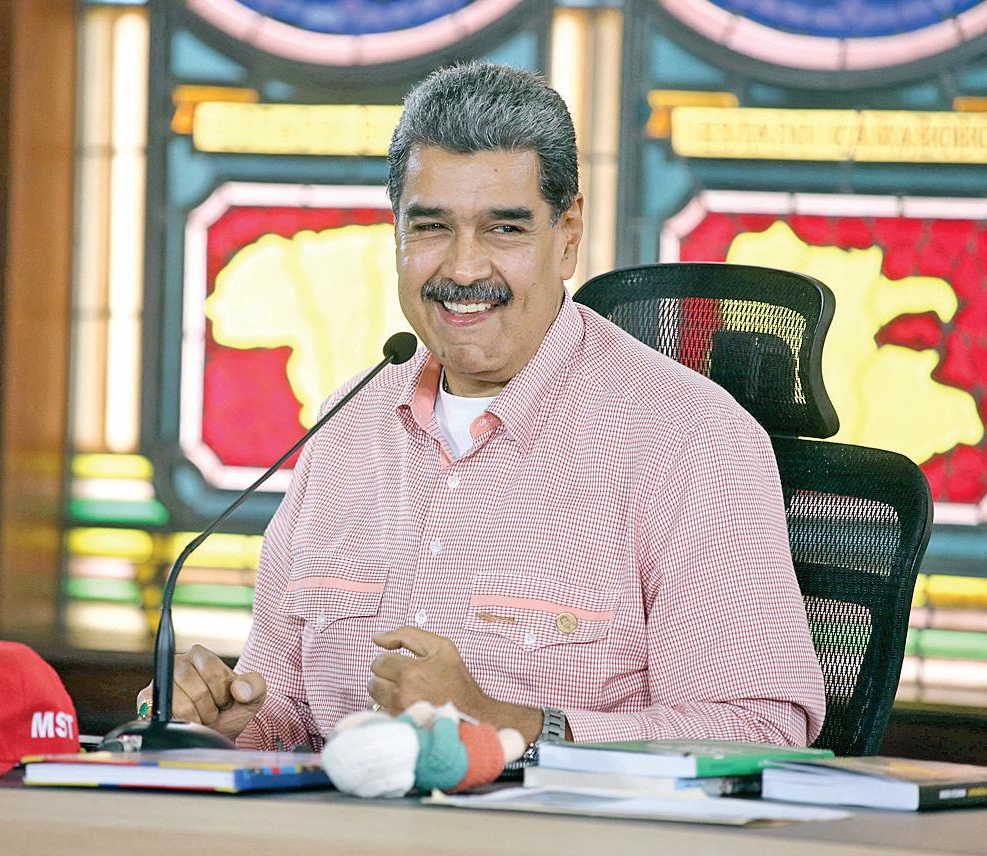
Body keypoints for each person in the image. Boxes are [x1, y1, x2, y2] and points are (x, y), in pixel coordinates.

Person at [138, 62, 825, 754]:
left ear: (568, 234)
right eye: (432, 226)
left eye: (504, 230)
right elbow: (289, 709)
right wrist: (225, 721)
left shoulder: (690, 439)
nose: (464, 269)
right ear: (396, 233)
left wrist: (505, 725)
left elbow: (758, 733)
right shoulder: (344, 426)